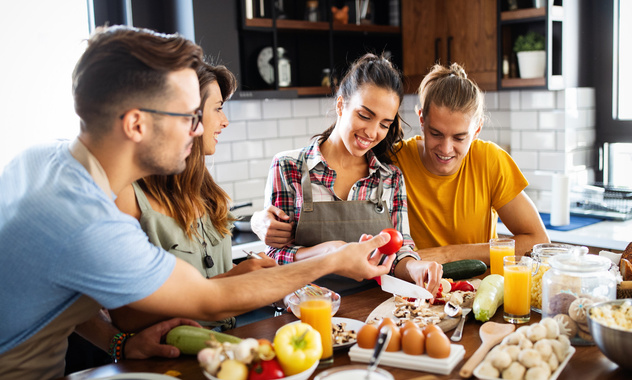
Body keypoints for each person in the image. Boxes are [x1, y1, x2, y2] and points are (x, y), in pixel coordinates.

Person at [0, 25, 397, 380]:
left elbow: (65, 286)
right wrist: (335, 258)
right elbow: (210, 299)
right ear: (137, 124)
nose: (201, 128)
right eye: (190, 115)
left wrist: (115, 342)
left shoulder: (44, 159)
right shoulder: (89, 217)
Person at [252, 62, 549, 265]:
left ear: (477, 130)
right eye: (435, 133)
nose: (446, 149)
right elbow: (278, 247)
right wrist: (257, 221)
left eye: (460, 137)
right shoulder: (393, 161)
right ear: (421, 119)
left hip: (474, 287)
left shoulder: (489, 161)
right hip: (398, 293)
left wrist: (445, 255)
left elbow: (537, 241)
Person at [110, 62, 277, 333]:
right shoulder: (128, 197)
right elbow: (126, 318)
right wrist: (230, 283)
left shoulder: (207, 192)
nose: (225, 121)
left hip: (223, 349)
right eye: (218, 108)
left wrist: (254, 278)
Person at [257, 53, 443, 295]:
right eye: (364, 115)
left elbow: (399, 252)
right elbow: (274, 256)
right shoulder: (288, 167)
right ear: (340, 105)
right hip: (306, 310)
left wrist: (416, 267)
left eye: (385, 124)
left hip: (373, 311)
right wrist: (329, 253)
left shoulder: (390, 178)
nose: (372, 132)